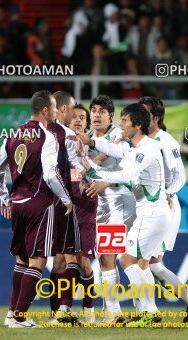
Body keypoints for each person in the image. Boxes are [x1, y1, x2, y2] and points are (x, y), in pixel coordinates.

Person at [79, 103, 172, 328]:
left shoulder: (147, 148)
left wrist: (93, 171)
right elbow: (116, 151)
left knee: (126, 259)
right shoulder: (133, 146)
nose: (120, 125)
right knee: (138, 262)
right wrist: (90, 142)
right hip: (147, 212)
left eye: (124, 120)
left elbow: (127, 174)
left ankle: (147, 310)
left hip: (152, 212)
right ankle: (148, 310)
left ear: (137, 125)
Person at [0, 90, 73, 328]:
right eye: (55, 108)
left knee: (22, 260)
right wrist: (66, 198)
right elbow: (50, 174)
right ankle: (19, 317)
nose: (58, 112)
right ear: (46, 111)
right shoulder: (47, 137)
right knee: (38, 260)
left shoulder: (13, 134)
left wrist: (4, 197)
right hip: (40, 204)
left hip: (17, 204)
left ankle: (11, 313)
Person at [138, 97, 188, 327]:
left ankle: (148, 312)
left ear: (156, 118)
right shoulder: (138, 140)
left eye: (144, 113)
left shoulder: (166, 142)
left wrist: (167, 191)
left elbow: (180, 175)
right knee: (152, 265)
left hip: (163, 205)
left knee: (142, 262)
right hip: (144, 205)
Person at [78, 94, 136, 324]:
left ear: (111, 116)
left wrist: (90, 165)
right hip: (100, 203)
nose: (96, 115)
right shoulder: (87, 137)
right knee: (107, 258)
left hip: (120, 198)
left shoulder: (119, 135)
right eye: (93, 110)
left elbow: (122, 166)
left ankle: (114, 312)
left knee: (108, 257)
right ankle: (112, 311)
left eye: (102, 111)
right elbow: (85, 171)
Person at [46, 91, 86, 324]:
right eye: (72, 109)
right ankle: (57, 311)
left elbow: (81, 164)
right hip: (49, 203)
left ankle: (62, 311)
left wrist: (88, 171)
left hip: (67, 204)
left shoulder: (69, 136)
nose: (75, 114)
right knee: (51, 259)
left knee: (67, 258)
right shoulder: (42, 133)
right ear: (63, 109)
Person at [67, 103, 99, 324]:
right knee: (67, 261)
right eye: (75, 117)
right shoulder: (60, 142)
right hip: (65, 204)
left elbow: (107, 172)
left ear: (87, 122)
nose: (78, 120)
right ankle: (63, 311)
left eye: (82, 117)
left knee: (84, 262)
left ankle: (89, 309)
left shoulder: (94, 146)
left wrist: (88, 176)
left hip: (86, 204)